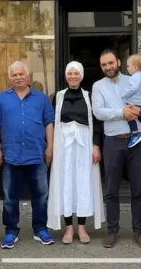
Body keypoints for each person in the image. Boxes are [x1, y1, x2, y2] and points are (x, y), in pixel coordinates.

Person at [92, 49, 141, 249]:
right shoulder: (98, 86)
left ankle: (139, 230)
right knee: (111, 188)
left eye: (110, 63)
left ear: (118, 62)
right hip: (113, 141)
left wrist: (140, 110)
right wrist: (121, 113)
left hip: (137, 141)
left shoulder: (134, 79)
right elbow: (98, 112)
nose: (108, 67)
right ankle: (112, 230)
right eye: (104, 65)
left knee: (138, 188)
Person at [0, 61, 55, 249]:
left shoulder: (41, 99)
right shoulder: (1, 99)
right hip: (10, 155)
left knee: (41, 195)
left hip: (37, 154)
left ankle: (40, 229)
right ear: (9, 78)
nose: (18, 77)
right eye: (14, 75)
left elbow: (49, 123)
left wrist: (50, 147)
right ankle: (11, 231)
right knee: (10, 197)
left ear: (28, 76)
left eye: (21, 74)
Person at [47, 61, 105, 244]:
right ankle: (68, 229)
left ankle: (81, 227)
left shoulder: (89, 96)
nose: (73, 77)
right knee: (65, 183)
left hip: (84, 145)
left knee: (83, 184)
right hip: (63, 146)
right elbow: (53, 123)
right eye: (69, 74)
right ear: (66, 76)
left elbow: (97, 122)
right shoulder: (57, 97)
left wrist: (96, 146)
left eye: (76, 73)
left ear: (81, 76)